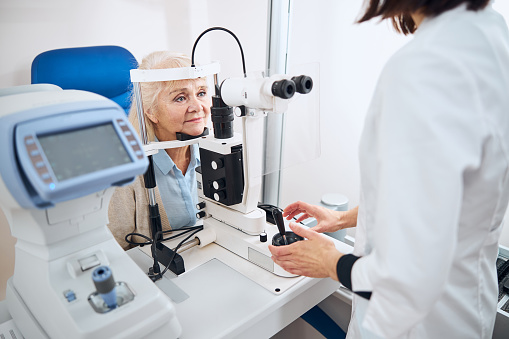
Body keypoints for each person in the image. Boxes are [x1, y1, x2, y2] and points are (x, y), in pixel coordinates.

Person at [269, 0, 509, 338]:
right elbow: (445, 200)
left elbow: (406, 280)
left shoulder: (424, 67)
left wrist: (330, 261)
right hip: (466, 310)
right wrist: (344, 218)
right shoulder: (490, 33)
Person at [108, 51, 211, 250]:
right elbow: (117, 249)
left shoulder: (216, 150)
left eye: (201, 93)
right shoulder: (126, 170)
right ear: (151, 112)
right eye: (180, 98)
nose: (197, 106)